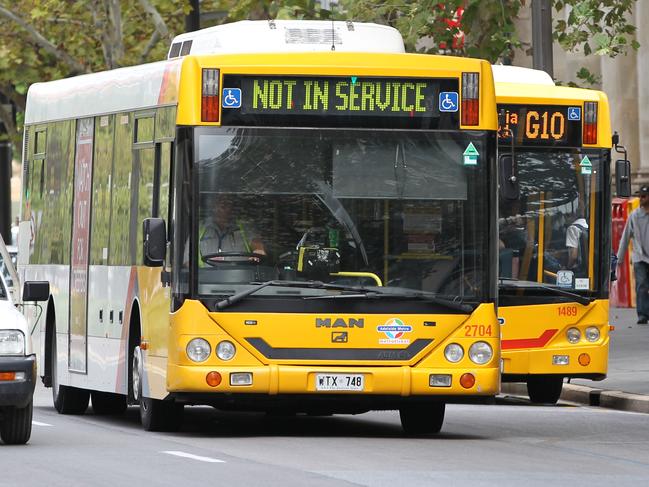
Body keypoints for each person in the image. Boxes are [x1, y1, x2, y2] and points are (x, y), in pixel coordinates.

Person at [197, 194, 265, 265]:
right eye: (219, 200)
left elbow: (256, 241)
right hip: (205, 275)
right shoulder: (199, 228)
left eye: (227, 202)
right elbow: (188, 261)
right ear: (212, 205)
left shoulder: (245, 226)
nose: (222, 204)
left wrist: (258, 250)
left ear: (232, 206)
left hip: (241, 275)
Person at [617, 185, 649, 324]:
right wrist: (619, 258)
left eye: (644, 196)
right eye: (640, 196)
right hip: (639, 257)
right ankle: (642, 314)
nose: (641, 199)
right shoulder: (634, 215)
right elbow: (625, 237)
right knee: (641, 285)